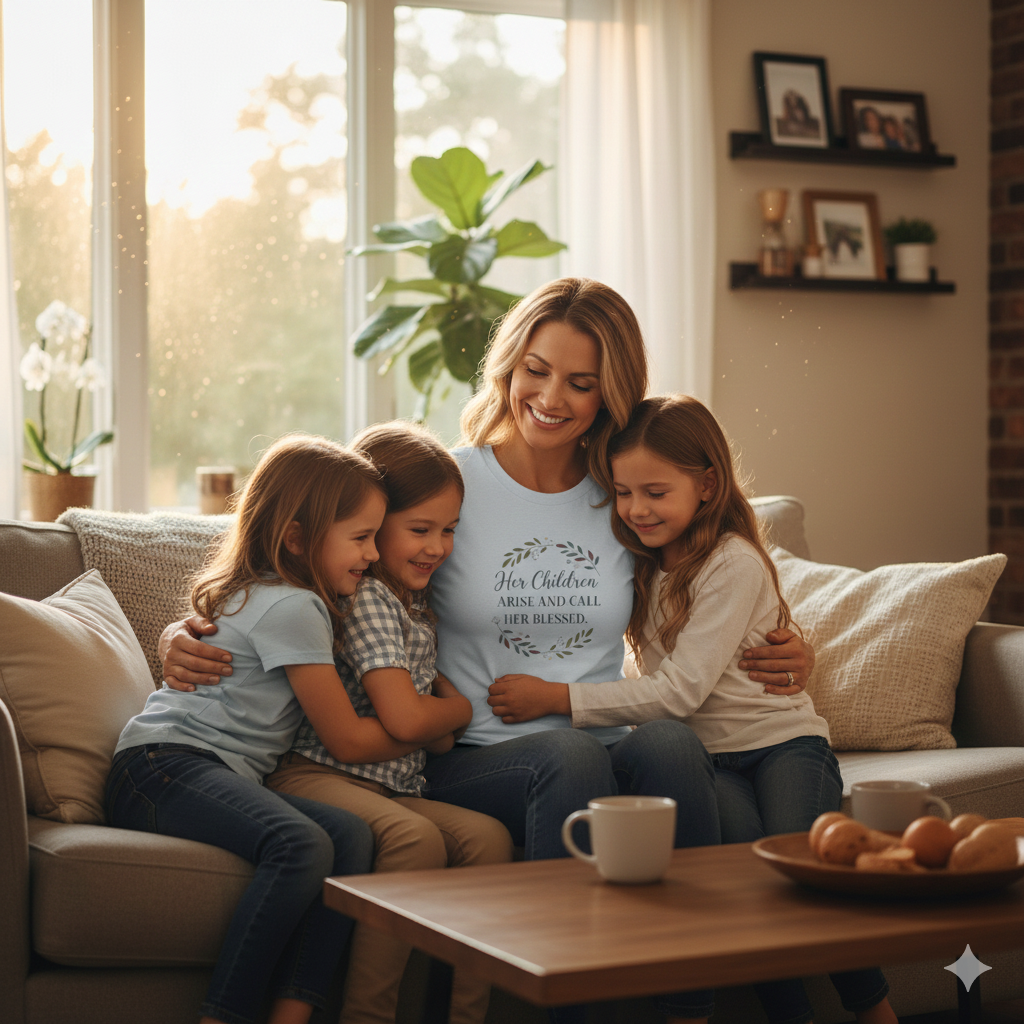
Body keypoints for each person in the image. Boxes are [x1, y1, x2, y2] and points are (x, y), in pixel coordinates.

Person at [157, 280, 813, 872]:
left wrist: (790, 641)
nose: (551, 398)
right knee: (569, 756)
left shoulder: (626, 496)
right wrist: (184, 632)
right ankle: (565, 987)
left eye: (581, 384)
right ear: (510, 367)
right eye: (536, 370)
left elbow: (711, 576)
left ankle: (687, 992)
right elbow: (307, 537)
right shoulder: (445, 484)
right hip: (473, 752)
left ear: (611, 392)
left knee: (670, 745)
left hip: (607, 739)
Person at [486, 394, 895, 1024]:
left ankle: (876, 1013)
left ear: (706, 485)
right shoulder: (642, 562)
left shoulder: (730, 561)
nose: (635, 509)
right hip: (712, 761)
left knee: (808, 886)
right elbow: (637, 668)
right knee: (753, 892)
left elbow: (679, 691)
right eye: (623, 492)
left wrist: (558, 699)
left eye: (654, 491)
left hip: (783, 745)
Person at [105, 434, 399, 1024]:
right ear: (296, 537)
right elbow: (344, 739)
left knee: (351, 837)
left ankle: (290, 1016)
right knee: (301, 844)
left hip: (179, 767)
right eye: (361, 538)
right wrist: (444, 718)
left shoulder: (264, 593)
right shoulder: (294, 607)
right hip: (162, 766)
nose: (373, 555)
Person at [265, 422, 513, 1024]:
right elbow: (410, 718)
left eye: (450, 530)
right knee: (414, 840)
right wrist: (455, 709)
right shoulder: (370, 597)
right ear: (372, 531)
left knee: (489, 839)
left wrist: (439, 723)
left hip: (384, 782)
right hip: (319, 773)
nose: (438, 547)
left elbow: (433, 735)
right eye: (420, 530)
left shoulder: (415, 606)